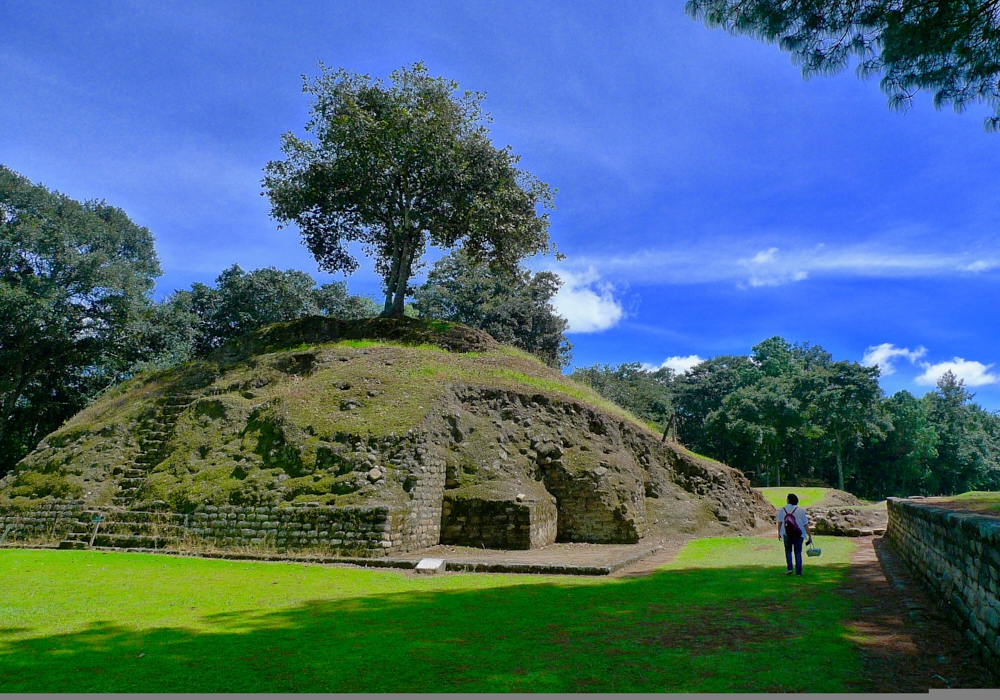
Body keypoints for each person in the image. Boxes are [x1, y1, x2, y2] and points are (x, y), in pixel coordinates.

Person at [777, 493, 812, 576]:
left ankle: (789, 568)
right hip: (799, 534)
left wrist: (779, 533)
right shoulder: (800, 510)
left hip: (786, 533)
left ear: (788, 500)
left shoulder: (783, 510)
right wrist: (809, 535)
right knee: (798, 552)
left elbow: (780, 522)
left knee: (788, 551)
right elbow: (805, 524)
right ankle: (798, 572)